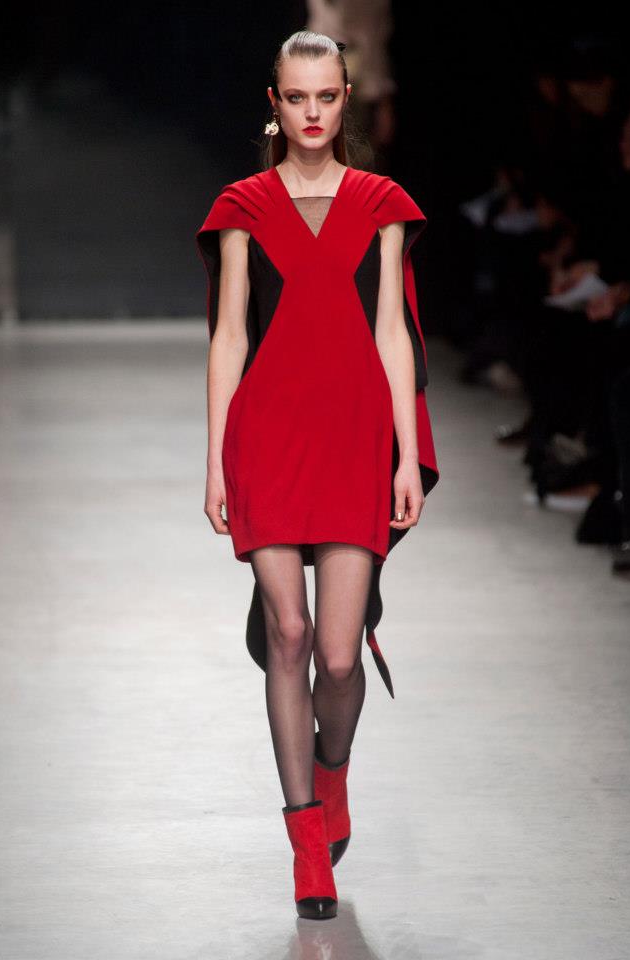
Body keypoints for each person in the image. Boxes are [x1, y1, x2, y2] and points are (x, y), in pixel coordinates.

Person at [195, 30, 439, 921]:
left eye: (325, 97)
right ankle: (306, 843)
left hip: (351, 434)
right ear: (273, 102)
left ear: (345, 100)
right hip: (266, 435)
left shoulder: (380, 203)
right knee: (288, 635)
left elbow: (391, 333)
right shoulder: (241, 206)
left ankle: (331, 774)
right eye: (295, 97)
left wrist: (405, 453)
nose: (311, 113)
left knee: (338, 656)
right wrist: (215, 456)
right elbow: (229, 335)